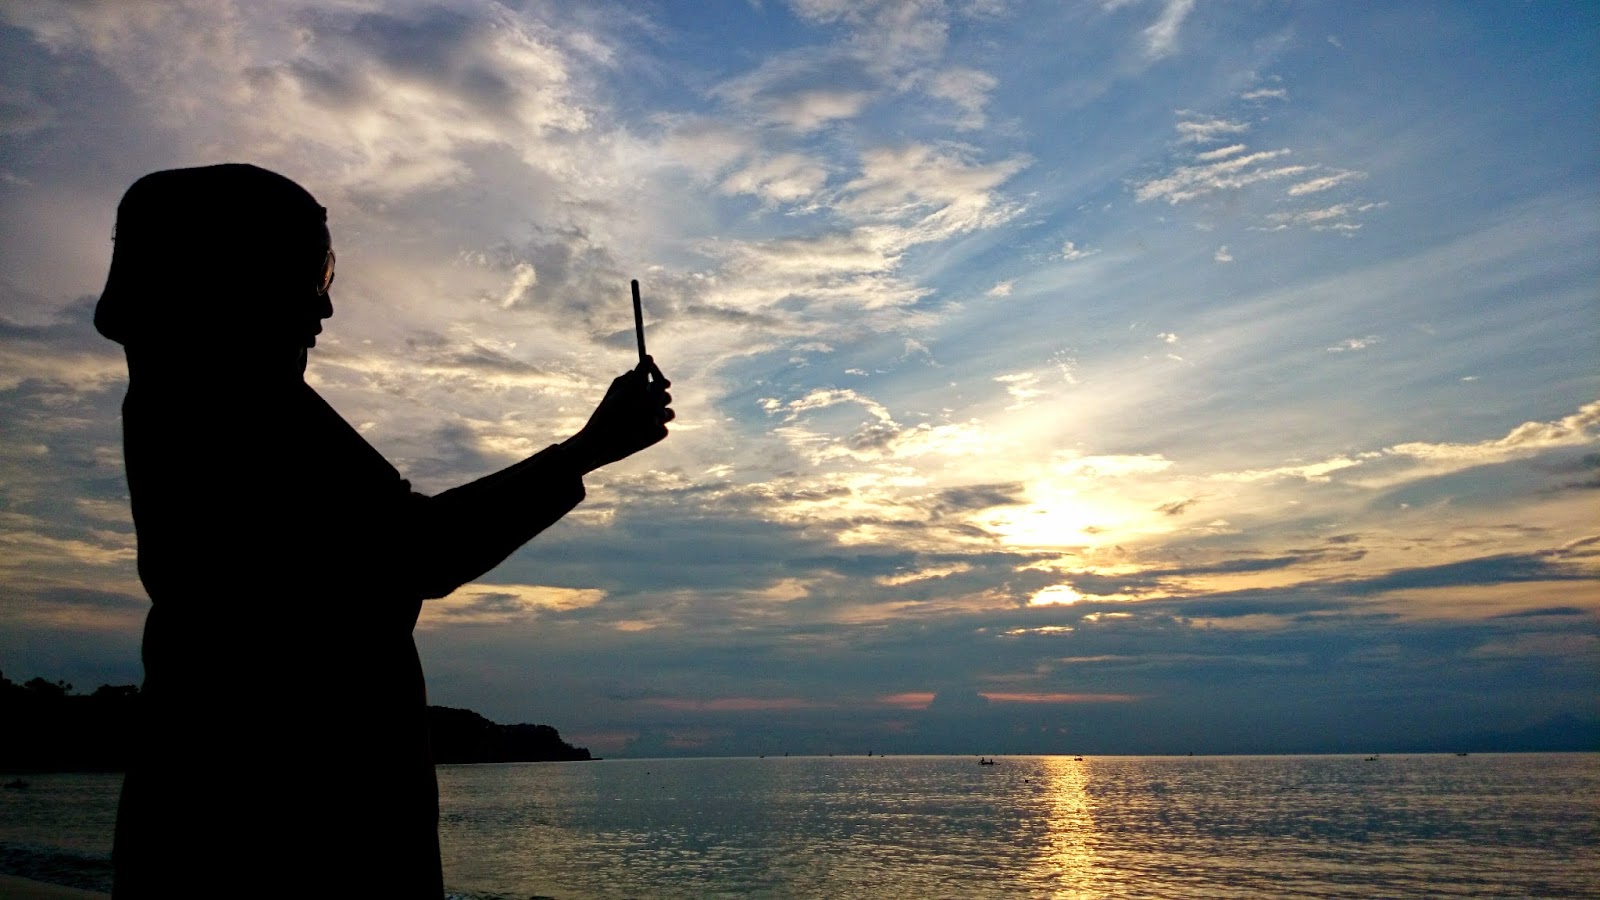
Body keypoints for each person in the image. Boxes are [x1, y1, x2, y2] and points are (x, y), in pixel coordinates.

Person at [96, 163, 672, 897]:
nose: (324, 309)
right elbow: (420, 552)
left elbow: (400, 545)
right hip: (287, 838)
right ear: (233, 273)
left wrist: (588, 447)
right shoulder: (236, 412)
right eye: (313, 271)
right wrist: (589, 447)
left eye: (326, 272)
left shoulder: (210, 401)